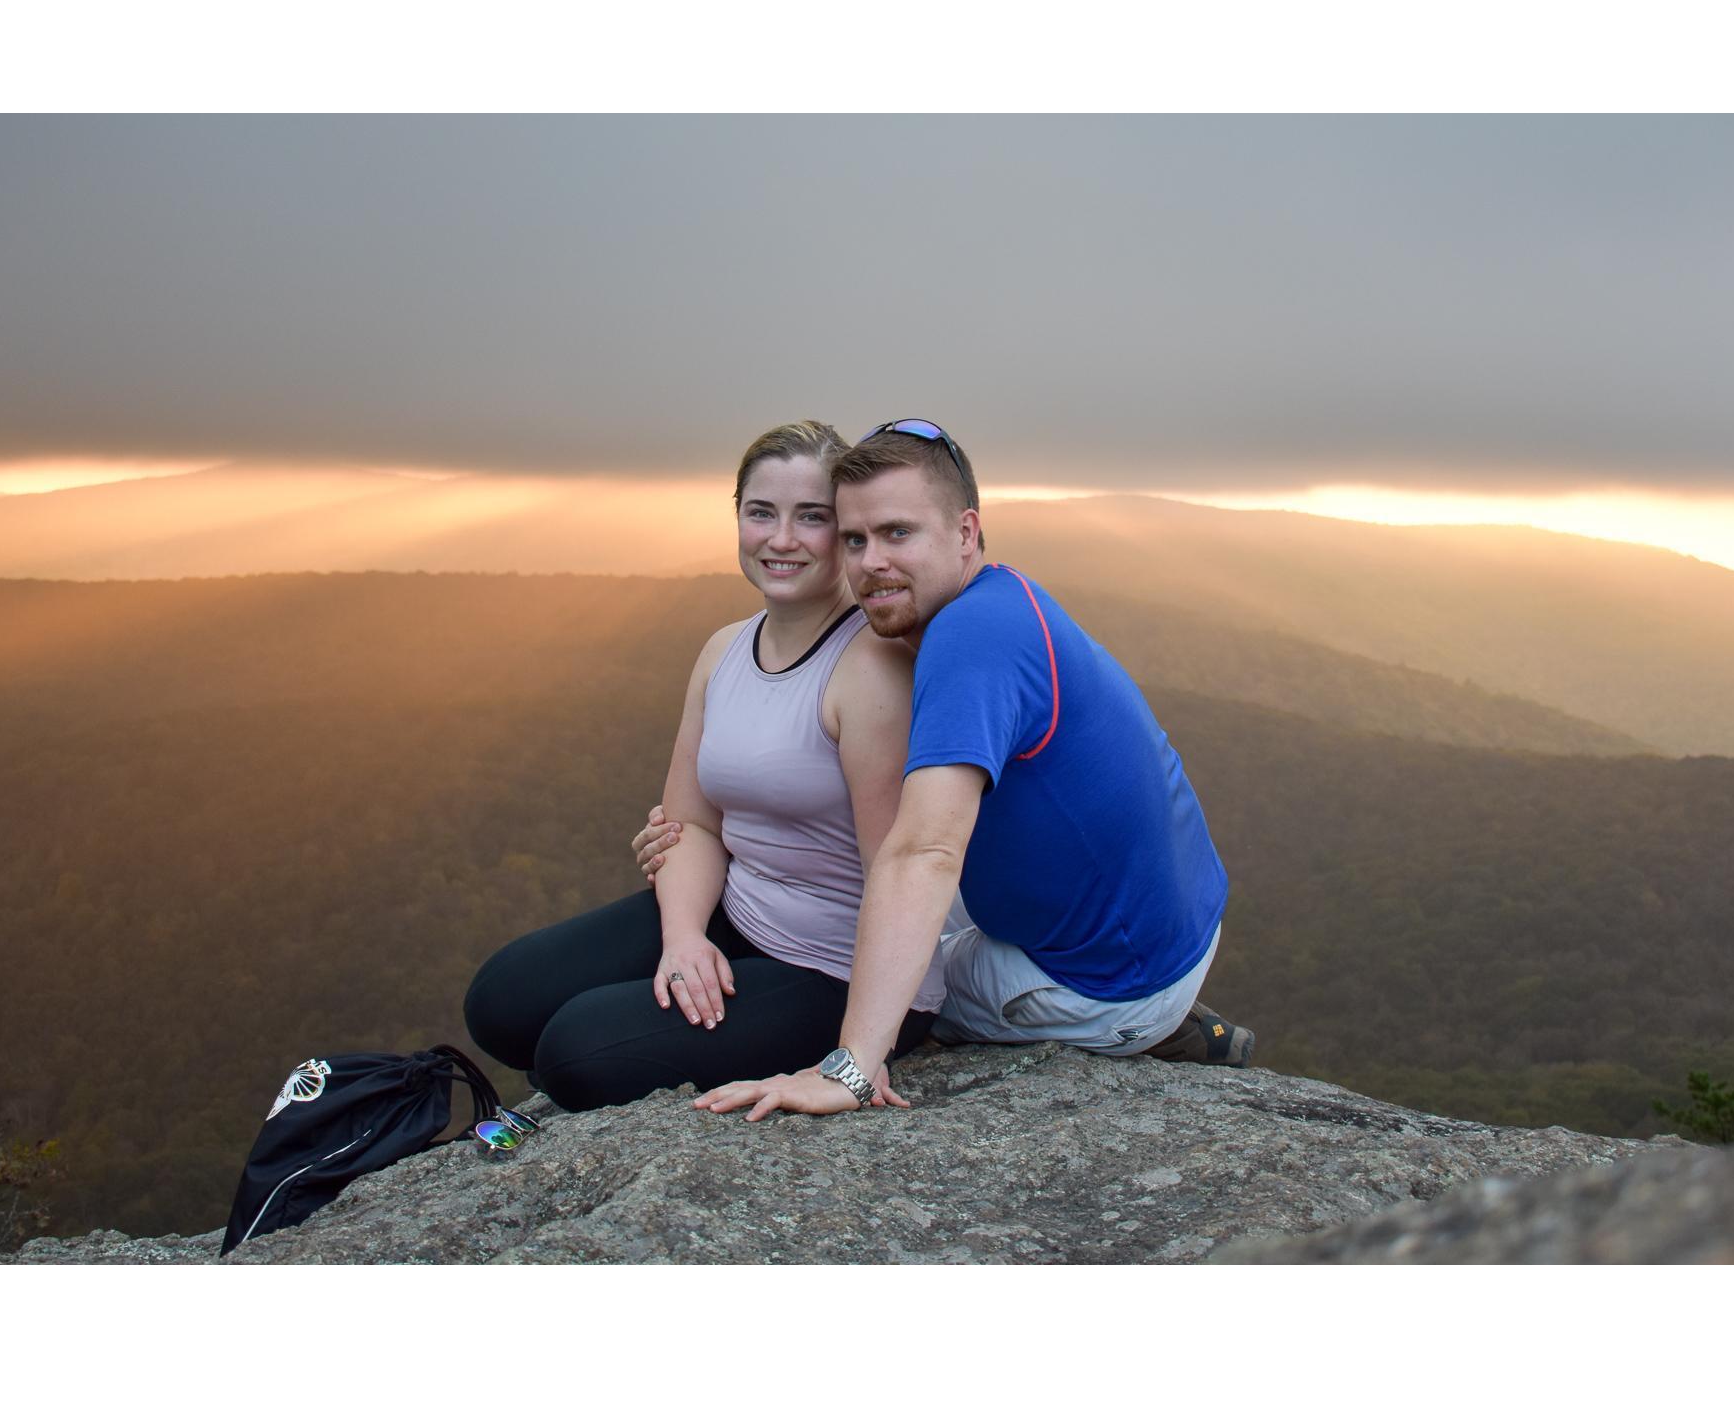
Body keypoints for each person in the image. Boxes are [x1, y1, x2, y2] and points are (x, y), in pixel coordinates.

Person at [643, 418, 1246, 1122]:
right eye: (856, 539)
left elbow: (924, 852)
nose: (871, 562)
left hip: (1108, 982)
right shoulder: (1000, 600)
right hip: (1168, 926)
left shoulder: (970, 640)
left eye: (899, 533)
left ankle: (1163, 1037)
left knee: (869, 976)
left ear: (965, 532)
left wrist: (852, 1068)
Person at [461, 421, 942, 1111]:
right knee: (501, 1002)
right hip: (739, 913)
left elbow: (897, 874)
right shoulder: (724, 650)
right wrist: (683, 939)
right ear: (738, 519)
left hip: (834, 966)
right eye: (761, 513)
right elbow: (693, 824)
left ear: (845, 533)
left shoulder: (869, 673)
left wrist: (860, 1054)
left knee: (575, 1053)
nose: (782, 539)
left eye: (813, 517)